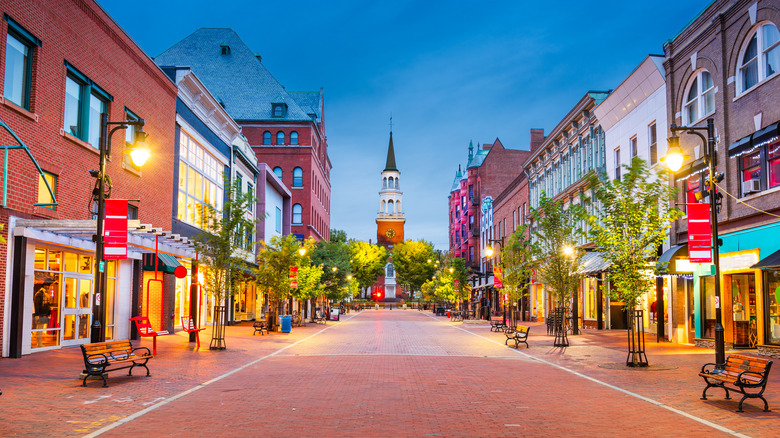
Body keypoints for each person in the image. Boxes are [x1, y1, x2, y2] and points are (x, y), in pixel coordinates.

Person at [33, 282, 52, 347]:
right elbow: (37, 305)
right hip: (40, 314)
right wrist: (37, 315)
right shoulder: (39, 294)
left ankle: (39, 343)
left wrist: (49, 313)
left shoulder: (45, 294)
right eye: (48, 287)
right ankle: (39, 343)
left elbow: (48, 305)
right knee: (39, 329)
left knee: (40, 328)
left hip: (43, 314)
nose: (49, 288)